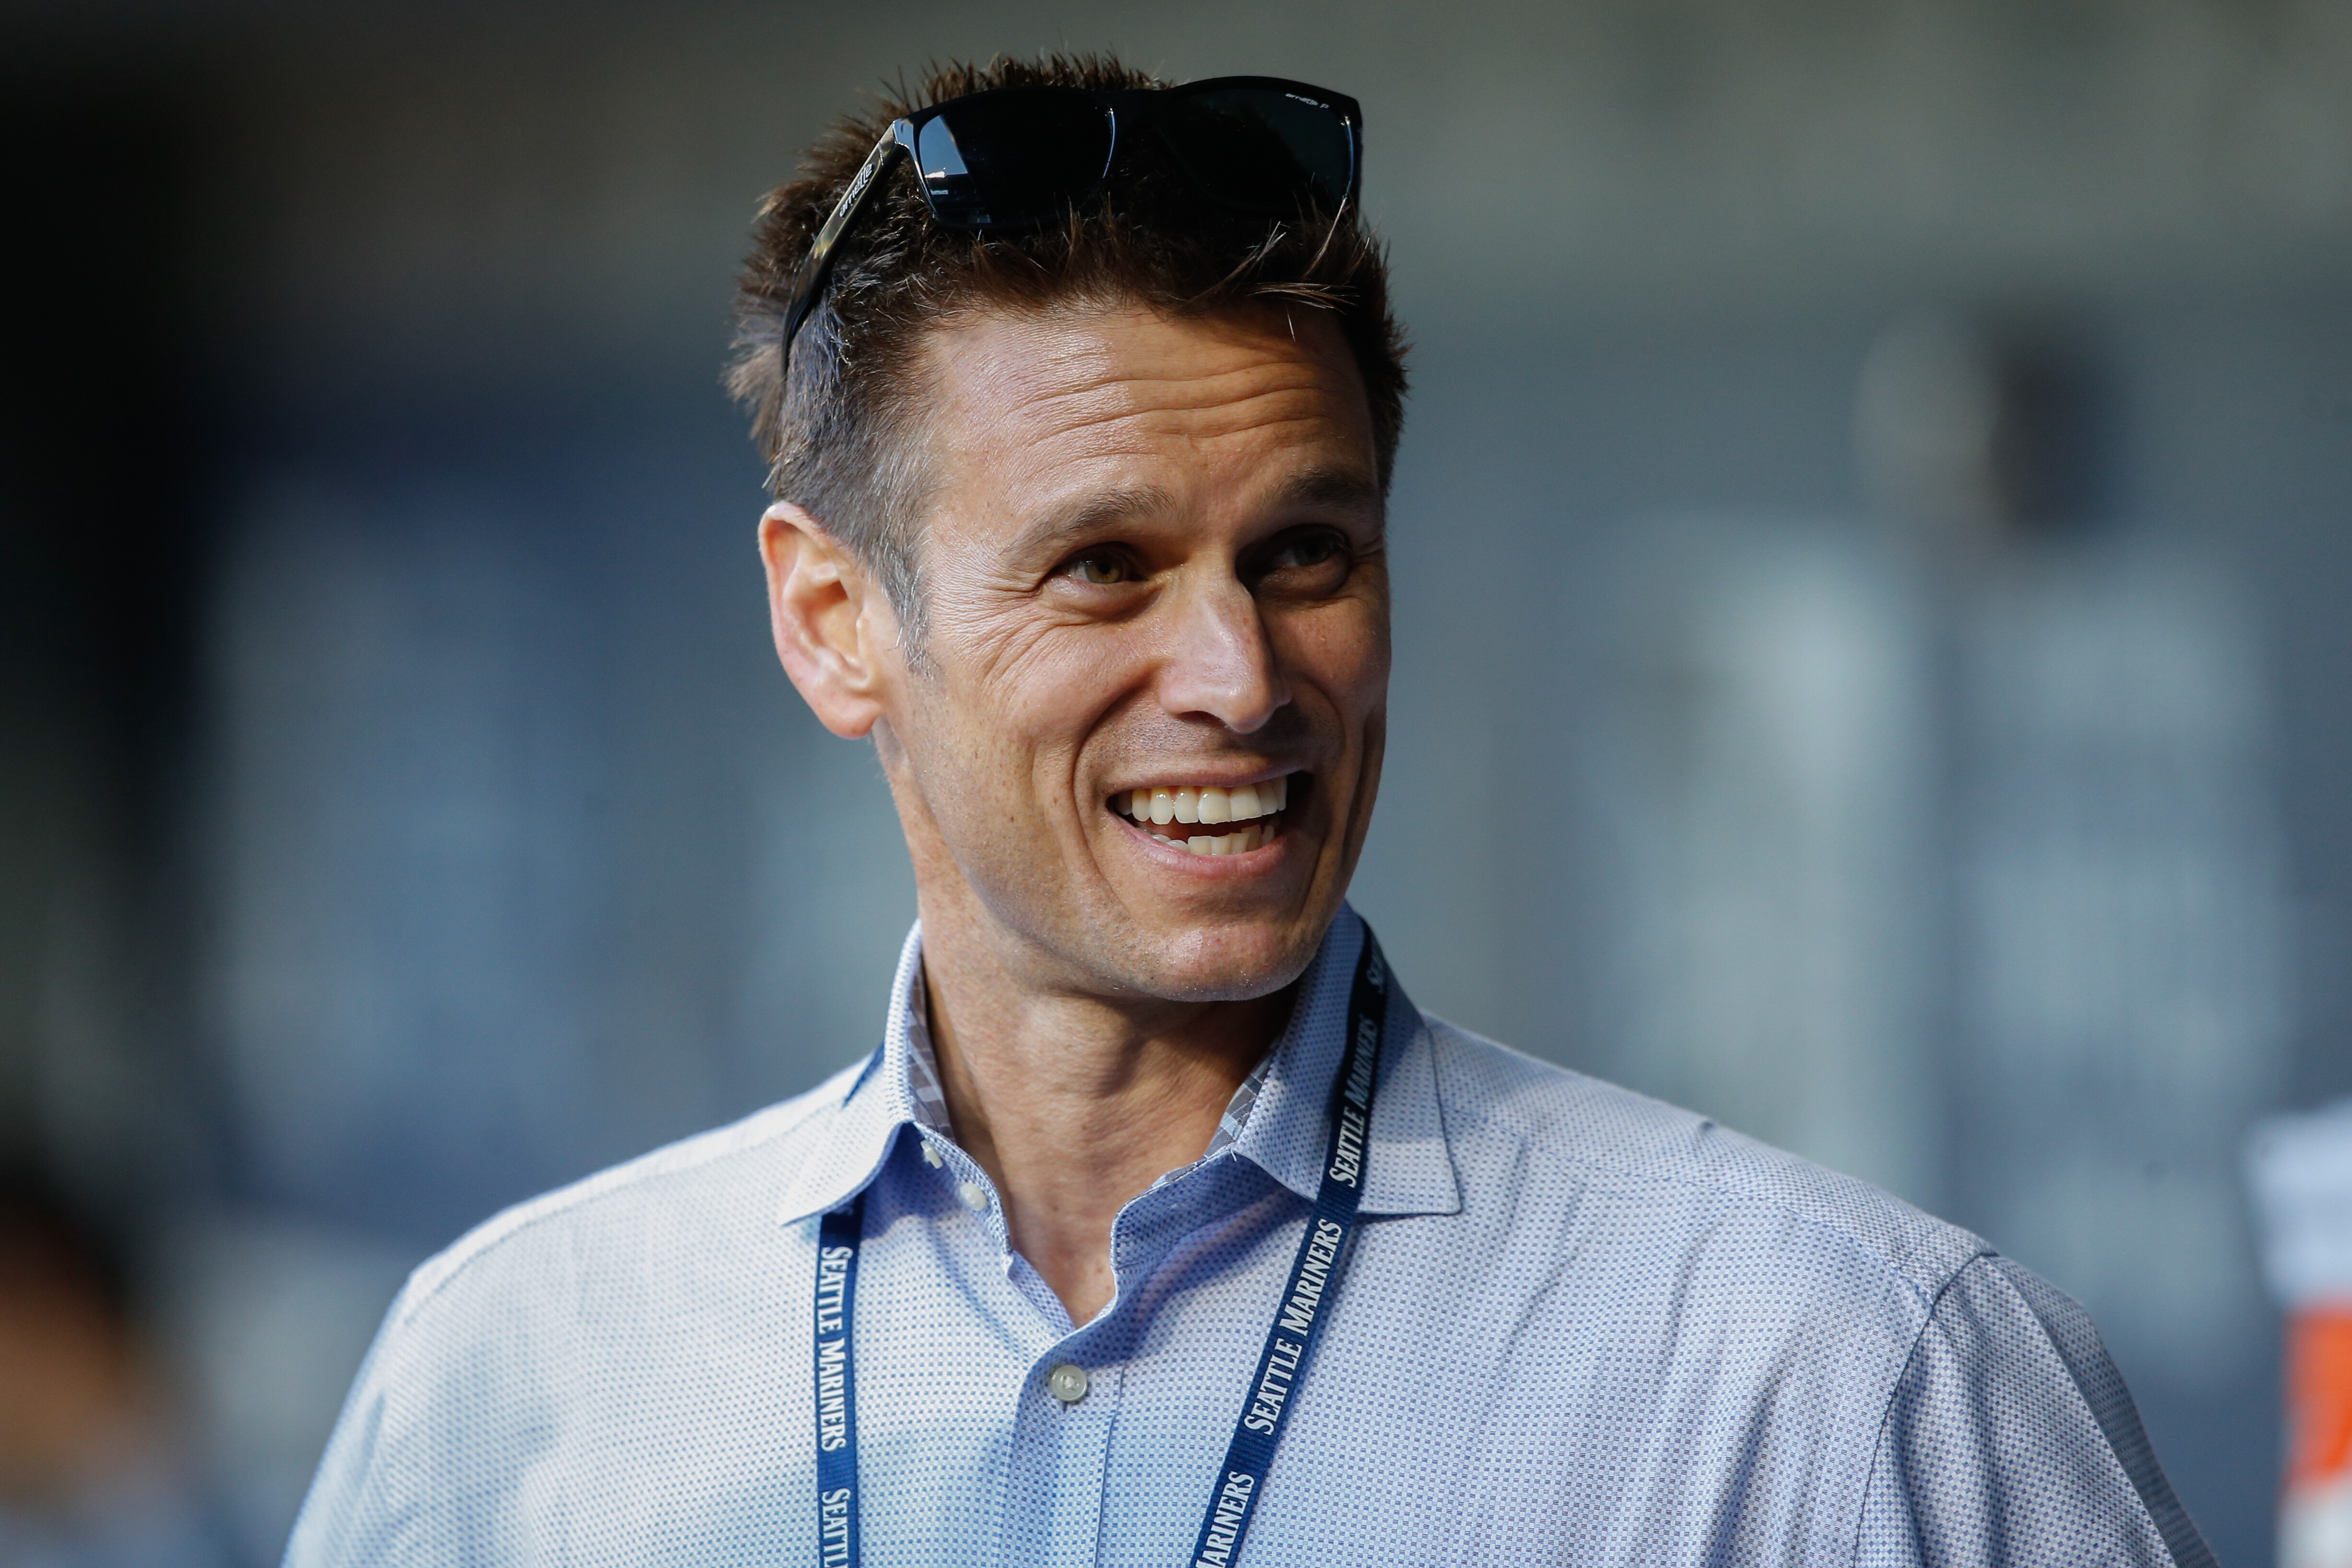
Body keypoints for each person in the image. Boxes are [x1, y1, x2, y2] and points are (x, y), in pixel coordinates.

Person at [287, 54, 2212, 1567]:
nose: (1240, 674)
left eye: (1304, 551)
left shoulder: (1848, 1381)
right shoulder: (509, 1389)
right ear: (833, 621)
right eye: (1105, 566)